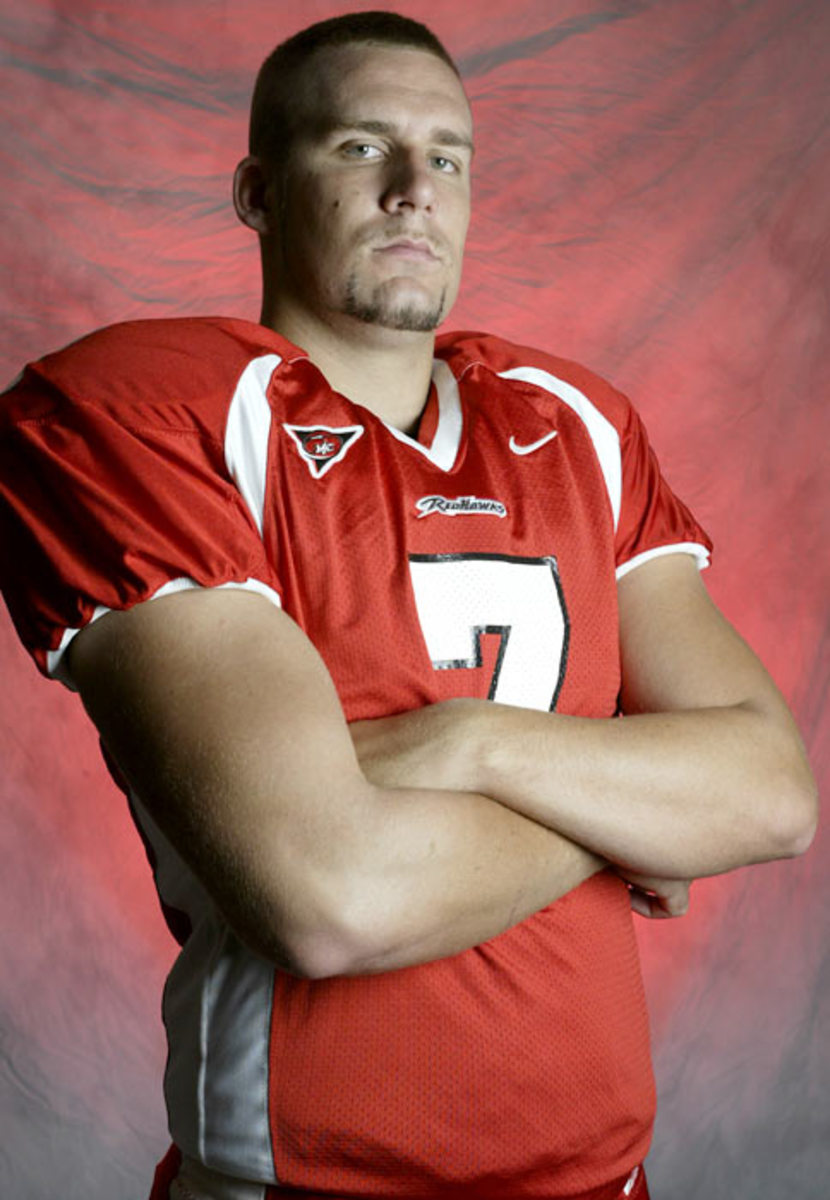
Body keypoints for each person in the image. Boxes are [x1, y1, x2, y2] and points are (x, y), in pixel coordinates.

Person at [0, 11, 817, 1200]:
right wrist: (639, 815)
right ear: (257, 191)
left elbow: (772, 794)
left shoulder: (576, 423)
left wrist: (463, 740)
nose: (412, 189)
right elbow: (330, 896)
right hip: (301, 1181)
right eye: (358, 147)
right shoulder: (143, 413)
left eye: (446, 157)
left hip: (605, 1177)